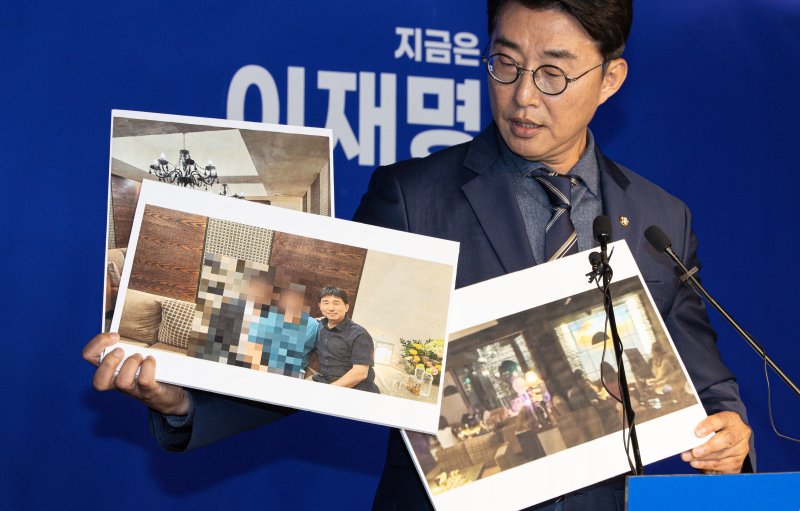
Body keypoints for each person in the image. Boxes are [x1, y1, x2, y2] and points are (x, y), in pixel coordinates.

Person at [81, 1, 753, 509]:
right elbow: (322, 353)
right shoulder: (414, 195)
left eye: (553, 74)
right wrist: (184, 397)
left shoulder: (661, 219)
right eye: (506, 63)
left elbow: (707, 381)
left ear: (610, 78)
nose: (522, 95)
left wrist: (730, 434)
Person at [311, 287, 379, 393]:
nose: (331, 308)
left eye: (336, 303)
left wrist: (330, 390)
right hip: (325, 380)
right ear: (320, 306)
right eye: (326, 303)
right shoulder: (320, 326)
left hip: (356, 387)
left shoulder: (359, 334)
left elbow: (360, 373)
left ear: (346, 307)